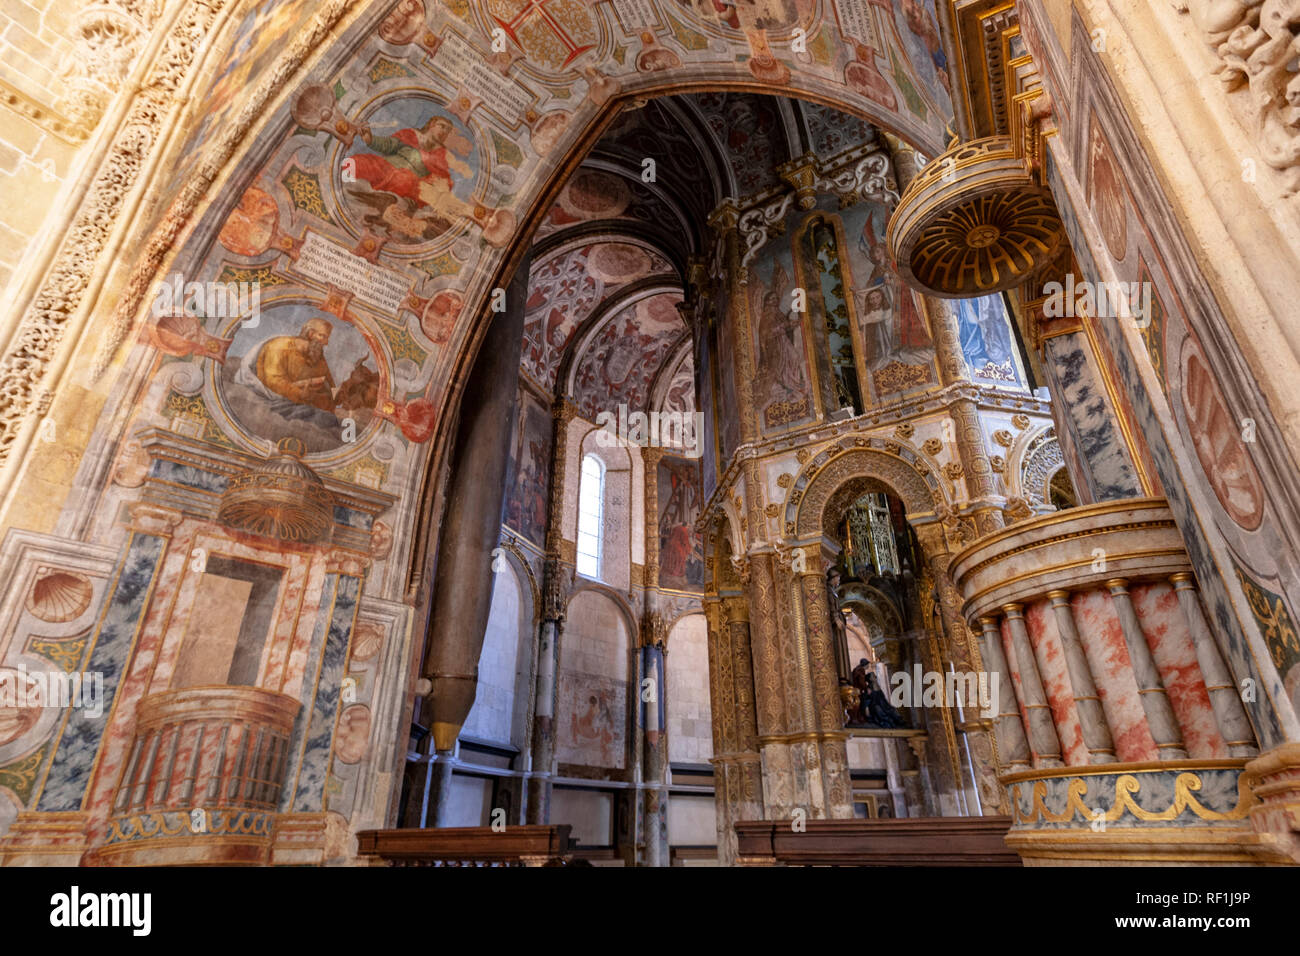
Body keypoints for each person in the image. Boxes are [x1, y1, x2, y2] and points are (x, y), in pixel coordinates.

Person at [254, 317, 336, 412]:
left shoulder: (316, 354)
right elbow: (273, 381)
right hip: (275, 401)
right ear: (311, 334)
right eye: (323, 336)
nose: (326, 343)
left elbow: (329, 383)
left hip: (307, 405)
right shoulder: (279, 347)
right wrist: (300, 393)